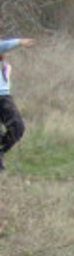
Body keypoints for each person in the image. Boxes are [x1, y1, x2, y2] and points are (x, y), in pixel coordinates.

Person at [0, 37, 35, 172]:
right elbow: (3, 46)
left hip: (4, 97)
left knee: (17, 128)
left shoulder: (4, 63)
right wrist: (19, 42)